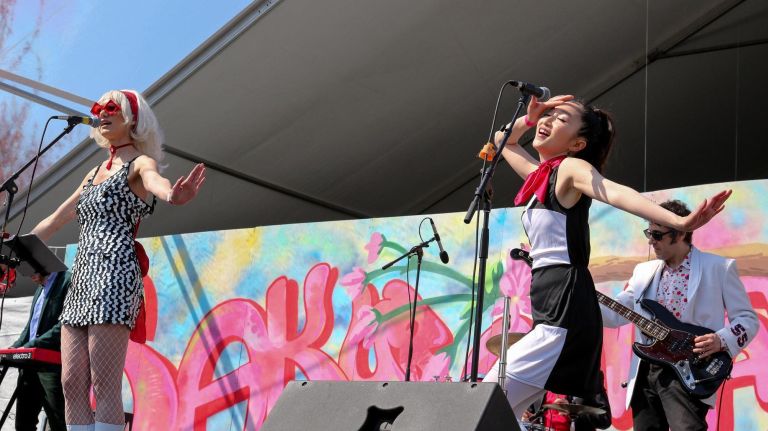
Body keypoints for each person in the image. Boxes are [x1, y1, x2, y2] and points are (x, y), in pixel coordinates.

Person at [481, 93, 731, 424]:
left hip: (565, 305)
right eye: (549, 115)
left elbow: (615, 192)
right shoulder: (542, 175)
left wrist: (679, 223)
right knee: (503, 414)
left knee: (489, 397)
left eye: (561, 119)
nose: (548, 120)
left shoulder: (571, 169)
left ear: (577, 144)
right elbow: (501, 141)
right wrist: (530, 117)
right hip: (549, 300)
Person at [30, 89, 206, 431]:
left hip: (115, 275)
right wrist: (14, 249)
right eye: (99, 108)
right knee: (70, 383)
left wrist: (172, 194)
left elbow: (157, 182)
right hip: (82, 281)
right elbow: (54, 221)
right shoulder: (93, 173)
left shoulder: (141, 162)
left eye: (113, 108)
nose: (103, 113)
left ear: (134, 120)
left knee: (104, 384)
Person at [600, 199, 758, 430]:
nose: (650, 240)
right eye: (649, 232)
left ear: (681, 234)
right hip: (645, 371)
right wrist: (582, 299)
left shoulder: (719, 268)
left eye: (657, 234)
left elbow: (747, 319)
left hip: (689, 370)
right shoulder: (643, 272)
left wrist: (721, 340)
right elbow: (616, 314)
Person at [9, 271, 71, 431]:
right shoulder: (40, 289)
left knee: (58, 421)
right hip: (29, 364)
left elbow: (64, 326)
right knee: (23, 423)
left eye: (31, 270)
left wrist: (31, 345)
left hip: (52, 366)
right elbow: (30, 327)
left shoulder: (67, 281)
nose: (29, 274)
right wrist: (15, 347)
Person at [523, 371, 611, 431]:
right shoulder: (542, 378)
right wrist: (529, 418)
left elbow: (605, 419)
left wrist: (572, 412)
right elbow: (532, 414)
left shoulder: (590, 376)